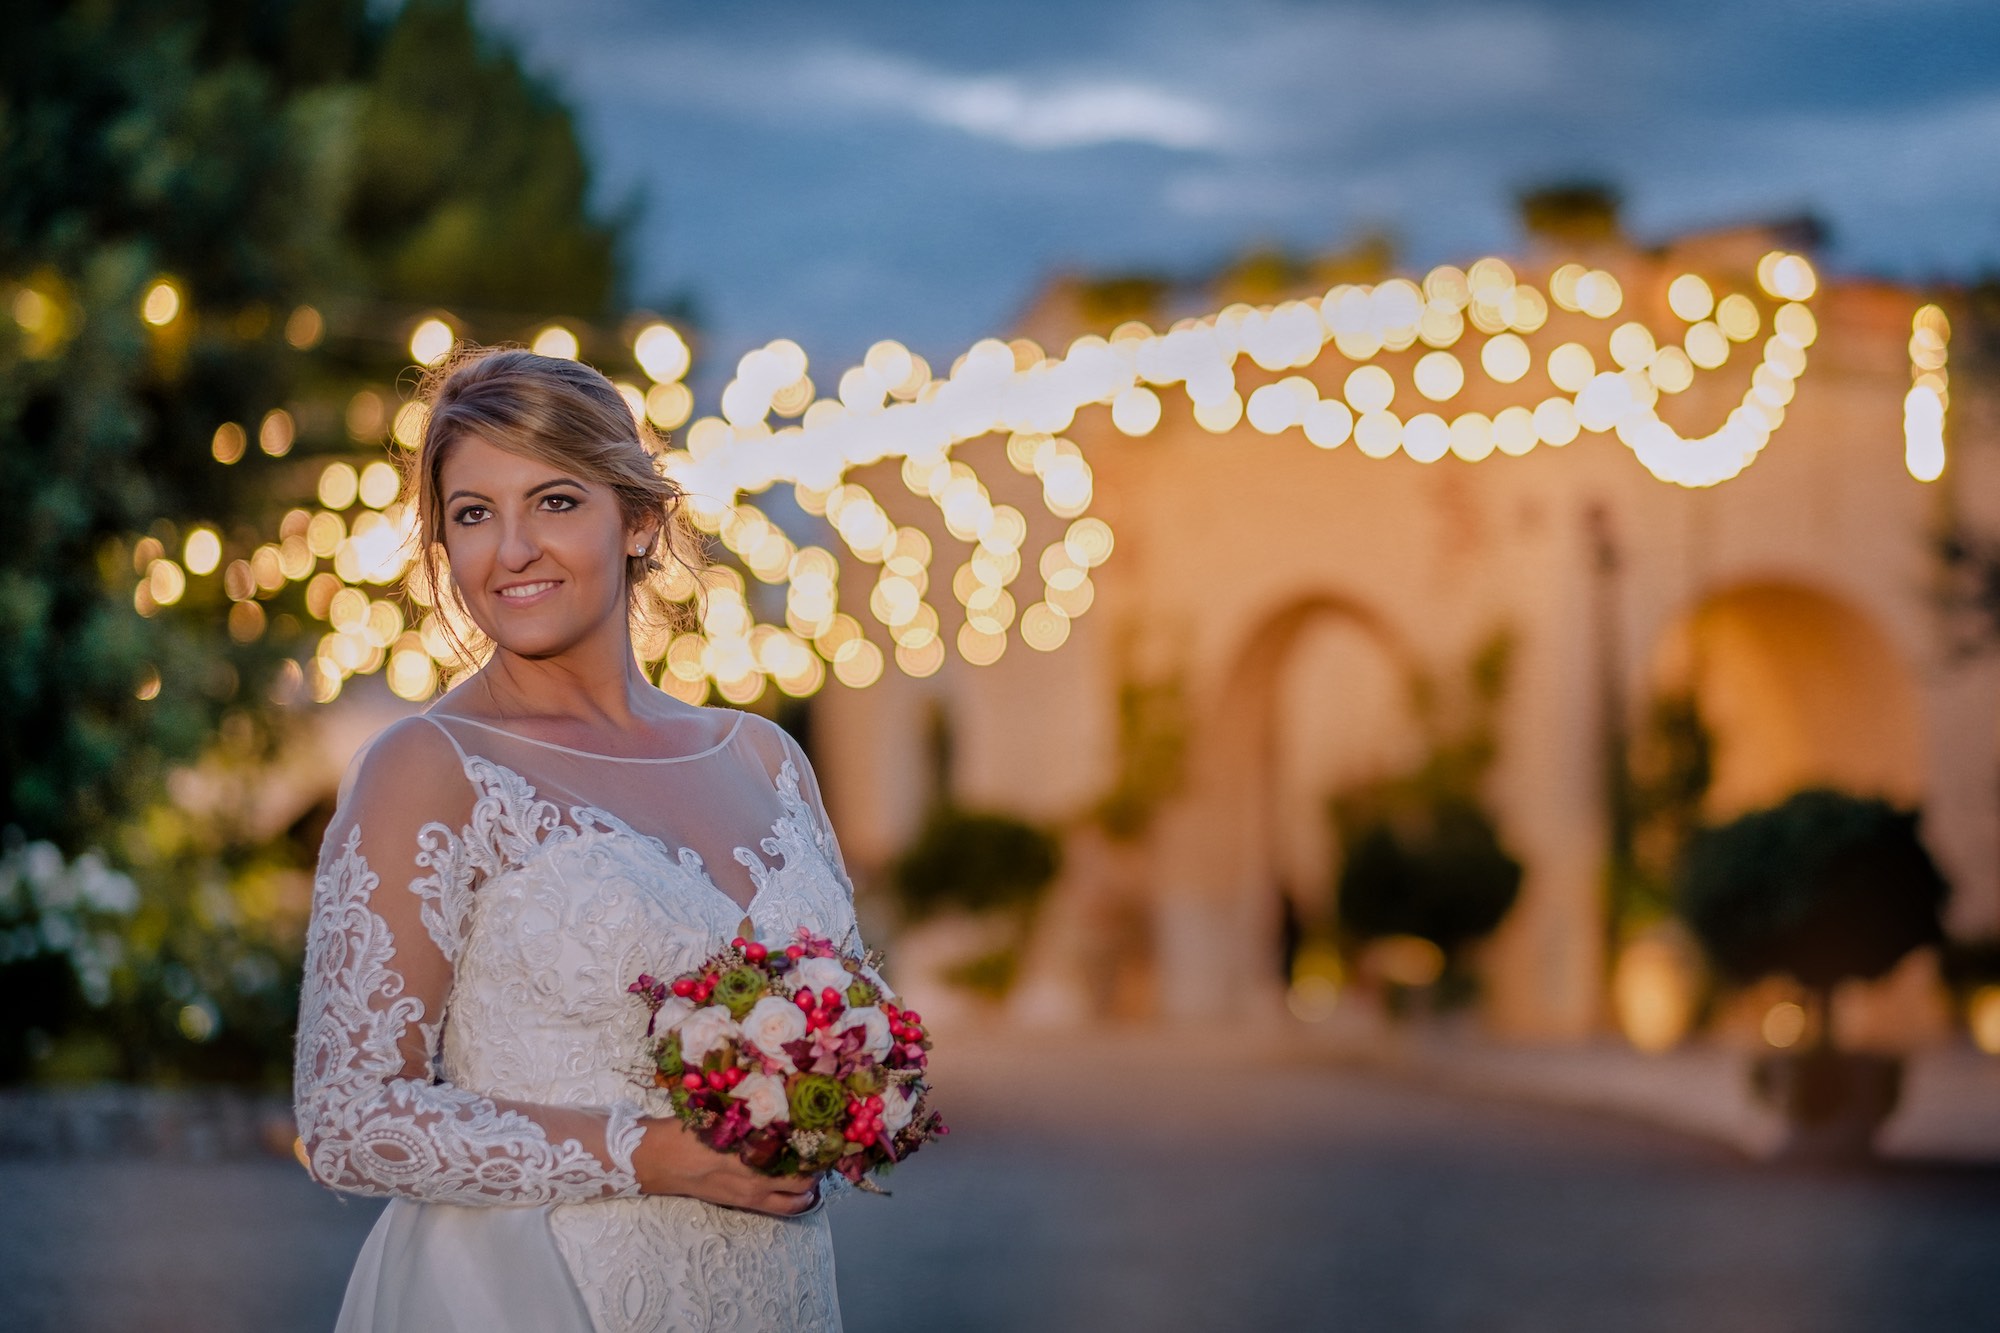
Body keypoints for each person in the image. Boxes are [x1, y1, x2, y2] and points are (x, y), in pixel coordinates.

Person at [293, 347, 856, 1332]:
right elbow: (348, 1121)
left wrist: (829, 1114)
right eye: (472, 514)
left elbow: (838, 1036)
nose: (510, 550)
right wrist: (654, 1151)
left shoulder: (765, 758)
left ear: (637, 518)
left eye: (553, 501)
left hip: (768, 1292)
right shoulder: (429, 768)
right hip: (527, 1294)